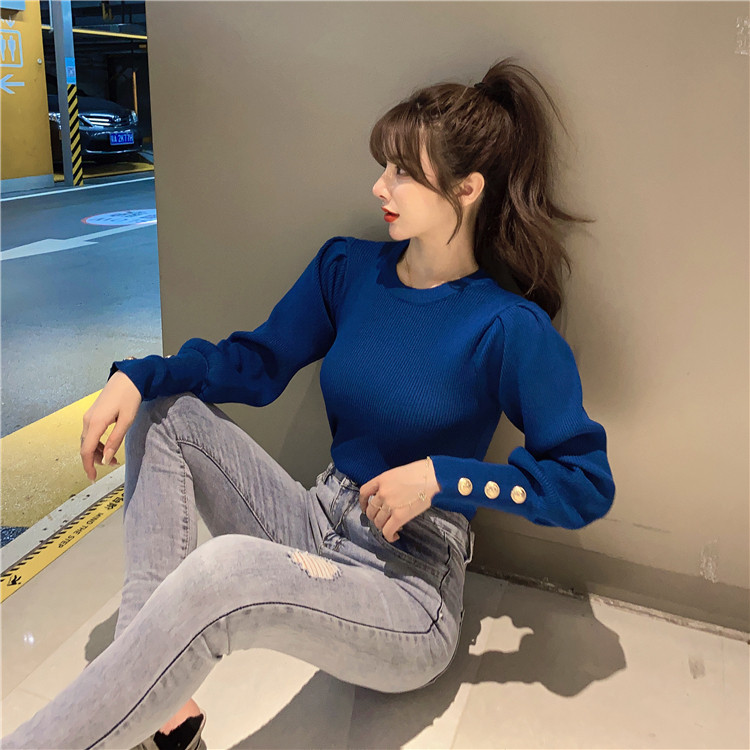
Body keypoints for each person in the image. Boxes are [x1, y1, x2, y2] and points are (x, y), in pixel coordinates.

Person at [3, 58, 615, 750]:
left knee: (222, 573)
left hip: (408, 585)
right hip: (315, 520)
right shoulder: (347, 270)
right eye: (384, 166)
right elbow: (256, 362)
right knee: (166, 411)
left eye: (402, 173)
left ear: (467, 189)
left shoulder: (507, 327)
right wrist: (143, 375)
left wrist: (443, 478)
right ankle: (159, 717)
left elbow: (584, 483)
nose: (379, 186)